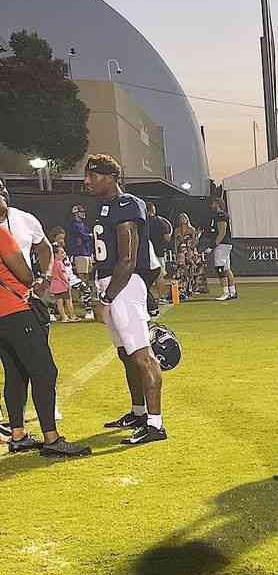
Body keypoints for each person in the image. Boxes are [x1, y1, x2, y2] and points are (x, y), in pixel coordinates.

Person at [82, 154, 167, 445]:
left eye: (92, 176)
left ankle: (155, 425)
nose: (87, 181)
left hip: (124, 285)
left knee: (143, 356)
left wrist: (106, 297)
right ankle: (139, 411)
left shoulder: (127, 204)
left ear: (109, 177)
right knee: (124, 353)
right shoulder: (103, 208)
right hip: (111, 282)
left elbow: (128, 259)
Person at [0, 196, 89, 457]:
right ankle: (52, 438)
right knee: (44, 371)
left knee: (15, 372)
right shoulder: (2, 234)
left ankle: (18, 435)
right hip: (15, 308)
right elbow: (23, 273)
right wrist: (36, 280)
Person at [65, 203, 95, 319]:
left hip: (86, 252)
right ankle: (83, 296)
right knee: (82, 276)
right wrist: (91, 236)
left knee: (87, 275)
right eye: (81, 211)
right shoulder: (74, 225)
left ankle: (85, 295)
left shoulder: (82, 224)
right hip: (80, 253)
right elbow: (84, 236)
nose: (83, 213)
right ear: (75, 214)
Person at [208, 199, 236, 302]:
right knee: (226, 268)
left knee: (220, 268)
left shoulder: (220, 215)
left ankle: (226, 292)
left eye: (213, 203)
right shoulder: (219, 215)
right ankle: (232, 291)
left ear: (218, 204)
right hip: (225, 244)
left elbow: (222, 232)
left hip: (222, 244)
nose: (211, 205)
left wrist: (213, 245)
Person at [48, 230, 77, 322]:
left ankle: (64, 317)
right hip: (62, 285)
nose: (64, 254)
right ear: (56, 254)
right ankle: (72, 316)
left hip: (55, 286)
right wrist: (67, 282)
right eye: (62, 253)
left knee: (59, 303)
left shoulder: (52, 263)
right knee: (68, 301)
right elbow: (62, 274)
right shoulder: (60, 263)